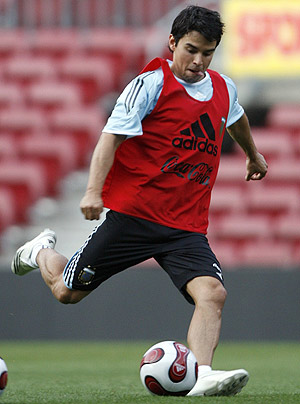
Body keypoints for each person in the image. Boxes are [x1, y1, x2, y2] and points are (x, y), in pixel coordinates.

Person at [11, 6, 267, 397]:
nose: (198, 61)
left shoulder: (223, 87)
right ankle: (41, 251)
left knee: (212, 293)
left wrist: (252, 153)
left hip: (185, 227)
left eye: (208, 53)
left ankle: (203, 375)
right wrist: (93, 191)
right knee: (66, 293)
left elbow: (236, 116)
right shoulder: (150, 84)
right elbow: (110, 138)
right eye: (191, 50)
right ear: (172, 43)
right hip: (134, 217)